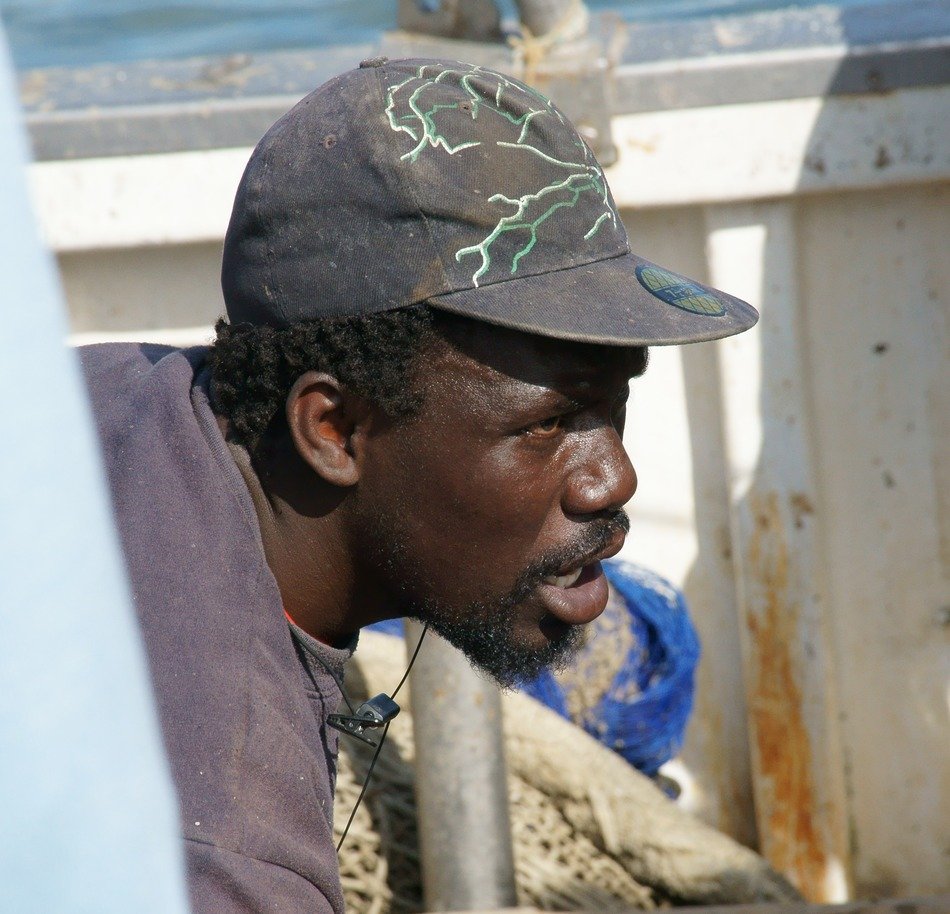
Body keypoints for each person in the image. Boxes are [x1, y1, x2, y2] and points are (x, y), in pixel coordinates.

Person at [80, 57, 757, 913]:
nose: (613, 478)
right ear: (333, 430)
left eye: (615, 405)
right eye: (547, 423)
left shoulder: (97, 399)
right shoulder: (222, 850)